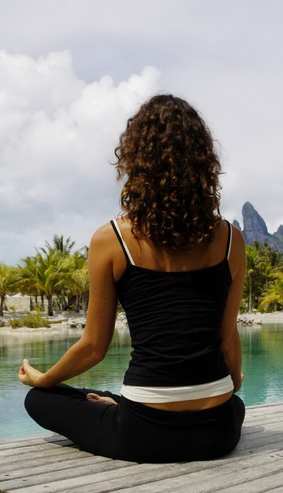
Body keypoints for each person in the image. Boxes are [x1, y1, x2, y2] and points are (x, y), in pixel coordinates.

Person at [19, 94, 246, 463]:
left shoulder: (111, 239)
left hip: (143, 435)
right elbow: (227, 338)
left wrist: (44, 379)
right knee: (235, 404)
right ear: (204, 162)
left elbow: (94, 347)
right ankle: (122, 403)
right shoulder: (231, 239)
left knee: (40, 399)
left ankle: (120, 405)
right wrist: (232, 381)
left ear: (135, 161)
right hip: (219, 431)